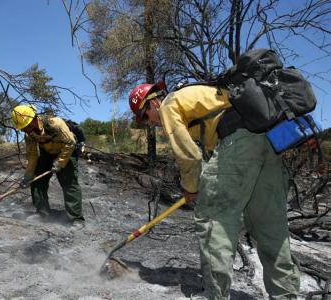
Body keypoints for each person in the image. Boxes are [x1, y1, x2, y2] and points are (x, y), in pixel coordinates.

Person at [128, 82, 300, 299]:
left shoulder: (169, 105)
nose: (150, 123)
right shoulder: (195, 97)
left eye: (145, 117)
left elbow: (188, 155)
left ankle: (214, 295)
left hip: (237, 141)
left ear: (153, 102)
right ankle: (286, 294)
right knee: (268, 224)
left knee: (212, 220)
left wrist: (191, 188)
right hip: (267, 142)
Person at [11, 105, 85, 229]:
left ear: (34, 118)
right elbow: (33, 156)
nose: (26, 130)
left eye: (27, 126)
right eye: (23, 128)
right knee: (37, 181)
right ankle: (43, 214)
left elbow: (70, 143)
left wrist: (60, 163)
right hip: (47, 153)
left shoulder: (55, 123)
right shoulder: (29, 135)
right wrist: (28, 177)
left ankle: (76, 219)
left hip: (66, 150)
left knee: (69, 183)